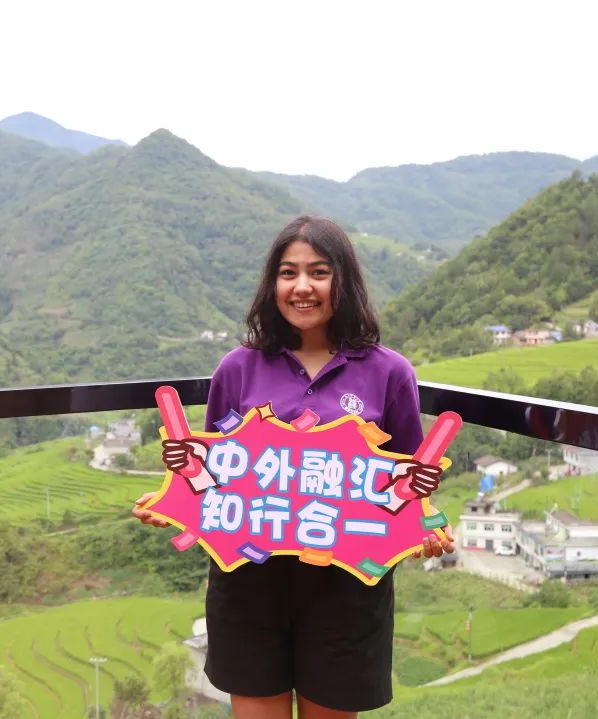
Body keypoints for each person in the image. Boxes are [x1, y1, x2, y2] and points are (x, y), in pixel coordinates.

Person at [133, 215, 453, 719]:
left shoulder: (389, 372)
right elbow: (212, 477)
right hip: (249, 583)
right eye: (289, 273)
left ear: (344, 281)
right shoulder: (237, 369)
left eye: (319, 272)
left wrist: (428, 529)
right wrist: (171, 500)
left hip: (347, 588)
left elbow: (410, 484)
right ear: (272, 285)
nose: (302, 286)